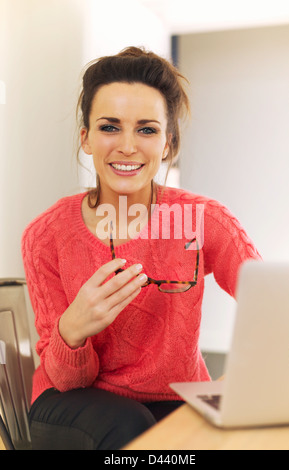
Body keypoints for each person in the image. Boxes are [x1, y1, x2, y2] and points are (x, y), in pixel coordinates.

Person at [21, 46, 261, 450]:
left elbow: (269, 301)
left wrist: (257, 370)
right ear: (86, 138)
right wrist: (74, 328)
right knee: (131, 424)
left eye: (146, 129)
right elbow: (66, 378)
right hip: (69, 397)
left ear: (167, 143)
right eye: (110, 127)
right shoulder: (46, 235)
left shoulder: (202, 220)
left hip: (170, 393)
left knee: (209, 434)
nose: (128, 146)